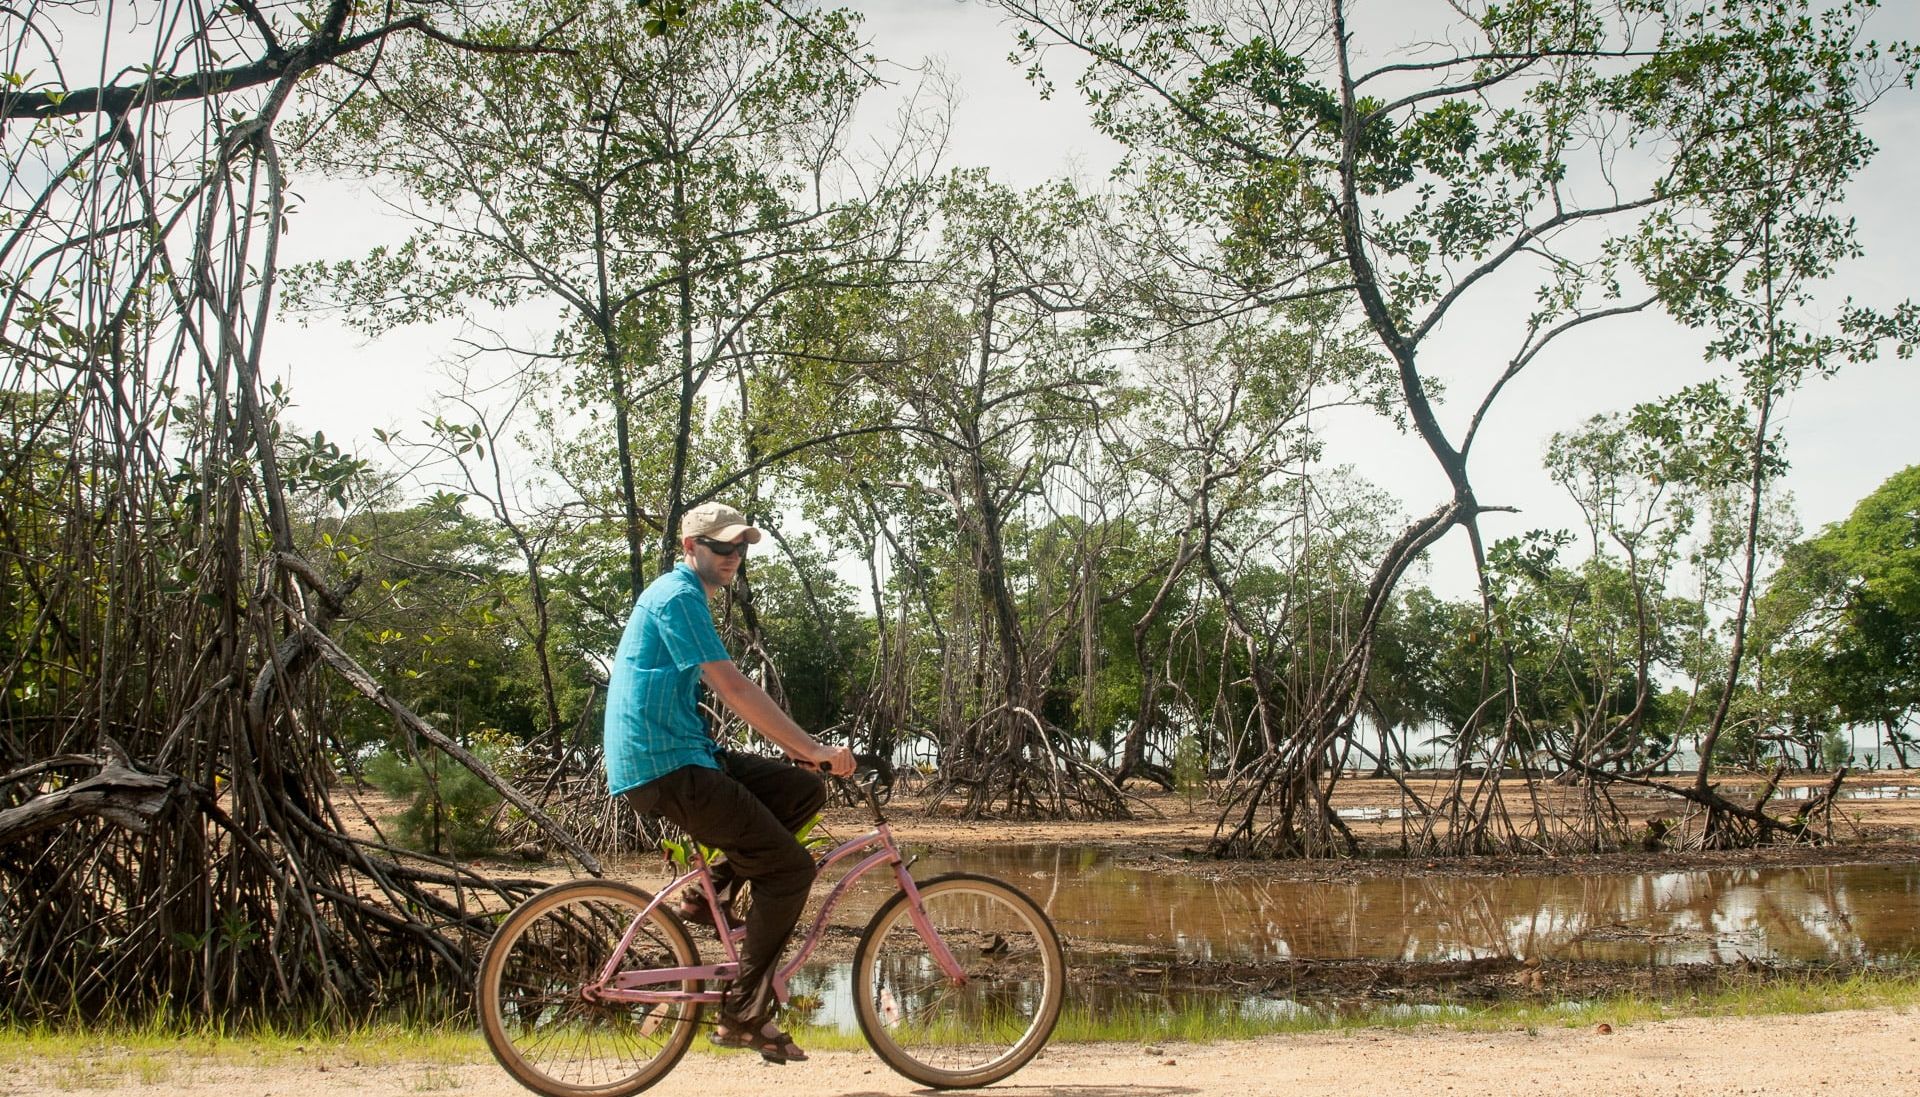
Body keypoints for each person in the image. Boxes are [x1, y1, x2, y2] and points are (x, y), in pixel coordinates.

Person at [603, 501, 854, 1064]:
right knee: (789, 869)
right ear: (690, 547)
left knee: (803, 790)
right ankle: (743, 1013)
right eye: (722, 547)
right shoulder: (678, 595)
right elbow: (733, 689)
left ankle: (711, 889)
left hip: (684, 754)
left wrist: (807, 763)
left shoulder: (683, 596)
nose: (733, 557)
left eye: (740, 548)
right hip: (663, 765)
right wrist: (811, 748)